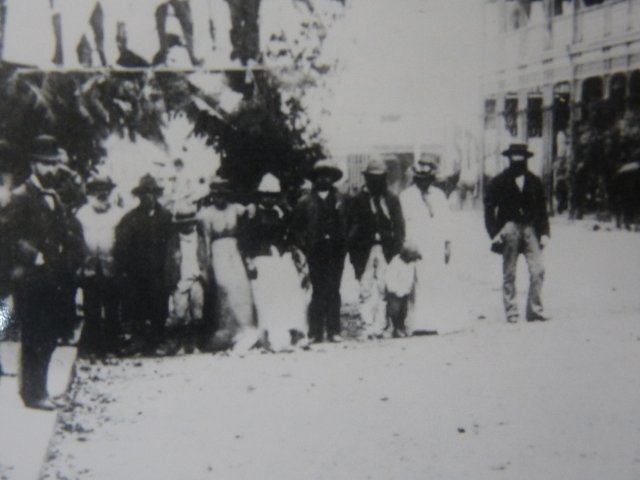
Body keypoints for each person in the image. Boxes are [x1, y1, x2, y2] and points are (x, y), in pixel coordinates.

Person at [7, 135, 84, 410]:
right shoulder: (20, 197)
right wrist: (33, 255)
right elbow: (8, 236)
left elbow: (66, 230)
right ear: (34, 164)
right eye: (46, 164)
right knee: (34, 337)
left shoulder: (53, 197)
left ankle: (41, 390)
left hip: (53, 279)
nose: (52, 169)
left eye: (55, 164)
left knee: (49, 336)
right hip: (30, 278)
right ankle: (31, 394)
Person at [242, 173, 310, 352]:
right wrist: (249, 261)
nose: (269, 198)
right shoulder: (252, 212)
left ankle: (295, 333)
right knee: (267, 297)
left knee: (291, 292)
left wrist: (293, 254)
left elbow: (289, 237)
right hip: (262, 259)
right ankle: (270, 336)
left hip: (281, 258)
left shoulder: (282, 212)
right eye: (266, 195)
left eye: (273, 195)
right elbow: (246, 241)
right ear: (260, 195)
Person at [484, 143, 551, 323]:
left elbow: (543, 209)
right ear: (509, 158)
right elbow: (489, 208)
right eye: (515, 156)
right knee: (509, 272)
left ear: (526, 158)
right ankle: (511, 311)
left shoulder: (534, 181)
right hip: (509, 227)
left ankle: (535, 310)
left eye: (521, 156)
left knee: (538, 269)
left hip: (530, 228)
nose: (518, 160)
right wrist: (494, 233)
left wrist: (544, 232)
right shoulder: (498, 181)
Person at [114, 174, 173, 355]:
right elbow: (121, 247)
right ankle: (138, 342)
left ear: (157, 195)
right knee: (137, 306)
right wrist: (124, 270)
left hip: (159, 270)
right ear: (139, 196)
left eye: (152, 193)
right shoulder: (130, 219)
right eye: (145, 194)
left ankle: (158, 341)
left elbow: (172, 244)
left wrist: (171, 267)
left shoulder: (166, 217)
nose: (149, 197)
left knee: (159, 305)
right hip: (137, 272)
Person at [198, 175, 258, 353]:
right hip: (218, 252)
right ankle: (226, 330)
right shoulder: (206, 214)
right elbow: (206, 240)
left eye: (223, 194)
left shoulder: (236, 209)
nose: (220, 198)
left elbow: (251, 212)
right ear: (212, 195)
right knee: (224, 286)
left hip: (234, 250)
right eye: (217, 195)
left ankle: (245, 328)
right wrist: (207, 263)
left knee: (241, 286)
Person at [347, 157, 404, 338]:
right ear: (367, 179)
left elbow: (399, 226)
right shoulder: (358, 201)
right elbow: (351, 227)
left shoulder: (392, 200)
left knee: (384, 286)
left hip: (386, 249)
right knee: (365, 287)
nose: (376, 182)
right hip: (365, 250)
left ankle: (382, 325)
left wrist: (396, 251)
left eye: (380, 179)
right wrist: (355, 252)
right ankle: (367, 324)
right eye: (372, 178)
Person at [293, 159, 348, 343]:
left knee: (334, 289)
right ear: (314, 178)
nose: (323, 179)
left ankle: (334, 330)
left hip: (335, 251)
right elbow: (297, 228)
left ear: (332, 178)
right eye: (320, 175)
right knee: (317, 290)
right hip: (315, 251)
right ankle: (315, 331)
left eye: (327, 175)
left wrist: (344, 241)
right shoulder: (305, 202)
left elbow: (349, 223)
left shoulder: (342, 199)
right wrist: (305, 245)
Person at [399, 154, 454, 335]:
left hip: (435, 244)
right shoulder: (406, 197)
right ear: (415, 179)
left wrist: (447, 244)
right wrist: (406, 245)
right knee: (416, 282)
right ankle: (418, 323)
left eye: (427, 179)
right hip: (416, 244)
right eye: (420, 179)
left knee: (435, 281)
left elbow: (446, 221)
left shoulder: (438, 196)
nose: (424, 182)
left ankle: (435, 321)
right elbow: (403, 222)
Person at [76, 172, 125, 357]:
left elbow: (122, 241)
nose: (101, 193)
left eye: (105, 190)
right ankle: (93, 347)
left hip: (111, 267)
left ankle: (112, 345)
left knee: (112, 307)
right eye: (97, 190)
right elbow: (78, 240)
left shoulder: (118, 214)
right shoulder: (82, 213)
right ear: (91, 192)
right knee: (91, 308)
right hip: (90, 267)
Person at [164, 203, 211, 355]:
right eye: (183, 224)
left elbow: (205, 258)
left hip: (197, 278)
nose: (187, 226)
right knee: (180, 314)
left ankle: (195, 344)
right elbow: (169, 261)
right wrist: (172, 279)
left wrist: (204, 275)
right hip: (180, 280)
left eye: (190, 223)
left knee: (197, 312)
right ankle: (181, 345)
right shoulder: (174, 241)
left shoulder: (200, 239)